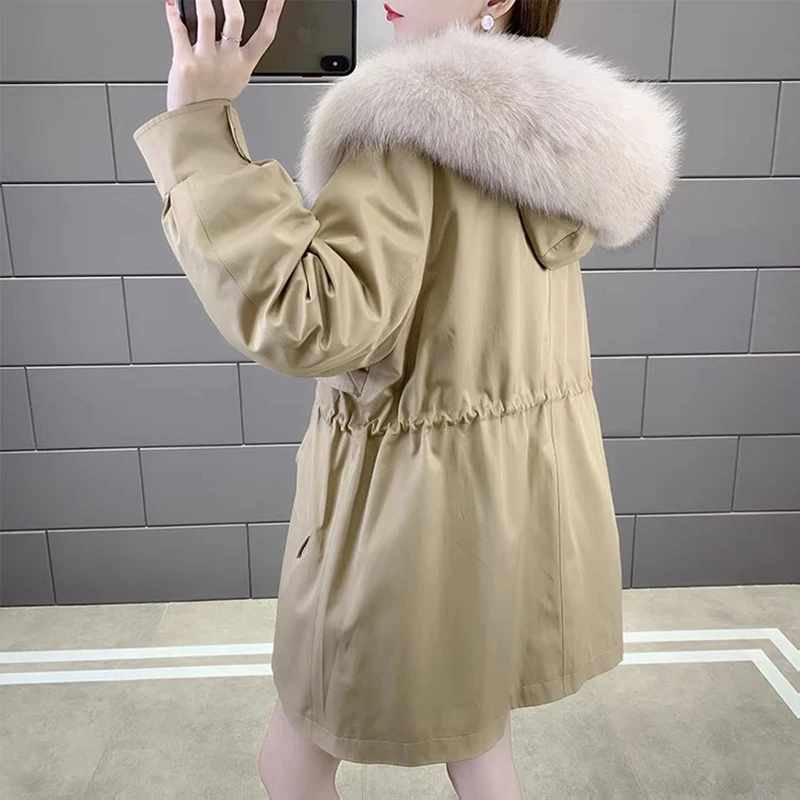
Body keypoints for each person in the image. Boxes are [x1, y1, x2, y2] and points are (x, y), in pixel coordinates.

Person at [135, 0, 681, 797]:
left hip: (398, 522)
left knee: (292, 760)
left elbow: (311, 317)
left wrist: (198, 130)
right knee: (479, 741)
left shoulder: (407, 130)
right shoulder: (555, 135)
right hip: (509, 514)